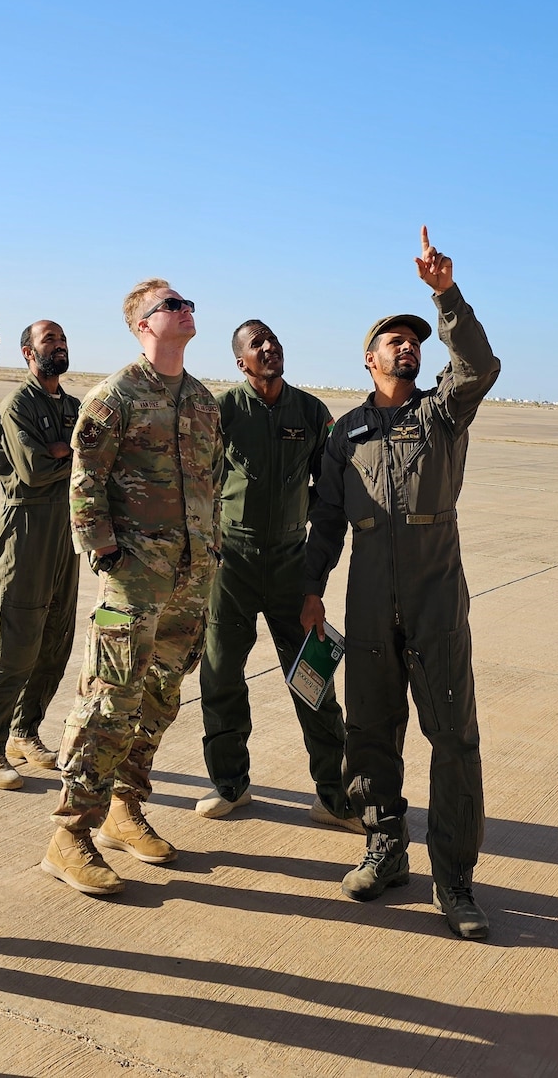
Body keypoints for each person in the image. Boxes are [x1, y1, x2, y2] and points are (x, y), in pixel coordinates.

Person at [303, 228, 500, 942]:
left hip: (435, 593)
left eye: (415, 340)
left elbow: (477, 363)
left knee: (453, 737)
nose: (407, 347)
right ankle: (384, 848)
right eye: (394, 339)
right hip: (365, 591)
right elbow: (325, 518)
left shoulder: (441, 412)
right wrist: (310, 587)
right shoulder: (346, 431)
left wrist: (444, 296)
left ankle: (454, 879)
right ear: (369, 356)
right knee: (369, 731)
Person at [43, 280, 223, 896]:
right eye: (173, 305)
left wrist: (209, 552)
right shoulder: (114, 396)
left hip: (191, 576)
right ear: (144, 324)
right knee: (108, 698)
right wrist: (105, 552)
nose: (186, 311)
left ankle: (125, 807)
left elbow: (210, 485)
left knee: (160, 696)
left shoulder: (201, 399)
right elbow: (84, 480)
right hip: (134, 577)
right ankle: (70, 835)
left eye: (188, 303)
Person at [196, 320, 354, 831]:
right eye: (256, 344)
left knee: (314, 679)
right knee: (221, 676)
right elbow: (196, 482)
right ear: (241, 362)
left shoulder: (309, 412)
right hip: (231, 563)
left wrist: (314, 582)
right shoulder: (220, 411)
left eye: (273, 340)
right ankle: (230, 785)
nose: (269, 347)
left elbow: (329, 493)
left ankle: (335, 795)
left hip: (291, 562)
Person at [0, 319, 81, 791]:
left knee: (55, 639)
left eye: (61, 339)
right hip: (27, 530)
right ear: (27, 353)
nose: (57, 346)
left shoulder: (76, 406)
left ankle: (24, 731)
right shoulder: (17, 404)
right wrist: (69, 455)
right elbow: (34, 471)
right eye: (48, 341)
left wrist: (66, 450)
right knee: (13, 644)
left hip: (68, 533)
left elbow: (99, 461)